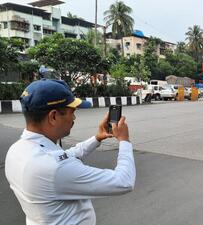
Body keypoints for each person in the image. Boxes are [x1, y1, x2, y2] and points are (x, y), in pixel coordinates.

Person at [5, 79, 135, 225]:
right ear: (53, 116)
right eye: (71, 112)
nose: (73, 118)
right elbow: (123, 181)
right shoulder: (55, 168)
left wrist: (97, 138)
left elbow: (68, 155)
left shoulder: (17, 150)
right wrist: (124, 141)